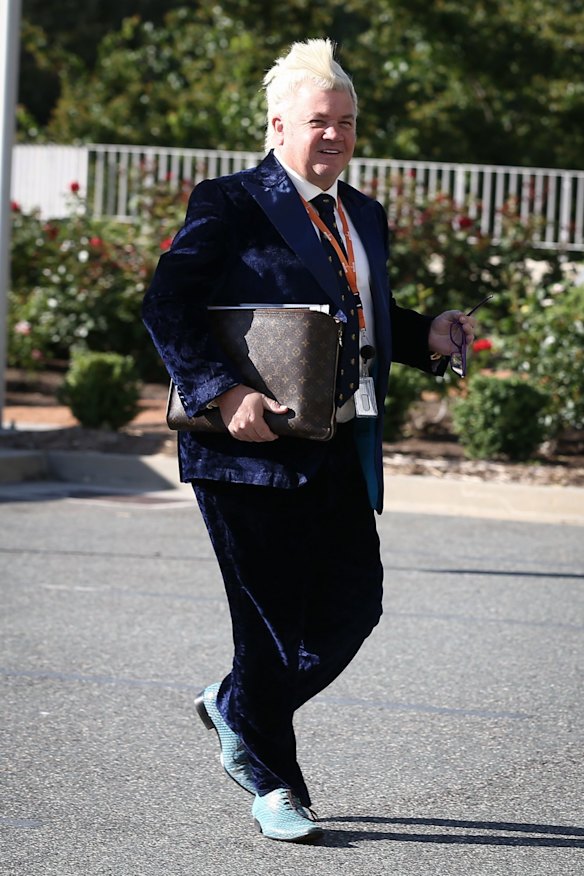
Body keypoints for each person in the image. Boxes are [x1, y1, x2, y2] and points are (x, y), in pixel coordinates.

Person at [142, 38, 478, 844]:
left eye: (348, 123)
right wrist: (221, 394)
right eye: (319, 121)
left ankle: (233, 706)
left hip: (339, 439)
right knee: (269, 626)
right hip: (245, 451)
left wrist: (425, 331)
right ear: (278, 124)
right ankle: (275, 786)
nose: (335, 136)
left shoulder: (364, 215)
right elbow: (167, 306)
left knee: (355, 605)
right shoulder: (229, 202)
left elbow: (364, 315)